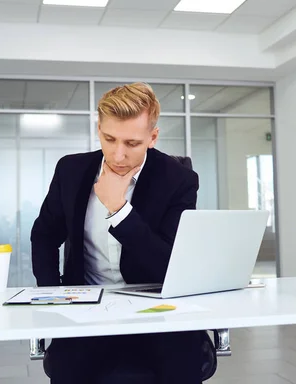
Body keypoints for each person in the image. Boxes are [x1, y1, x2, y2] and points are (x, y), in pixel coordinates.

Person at [31, 82, 202, 384]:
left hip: (156, 308)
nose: (118, 154)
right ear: (98, 128)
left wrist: (119, 210)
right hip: (86, 308)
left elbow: (168, 264)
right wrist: (52, 294)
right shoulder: (71, 171)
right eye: (109, 139)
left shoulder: (179, 180)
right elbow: (44, 235)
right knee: (67, 368)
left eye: (132, 143)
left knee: (182, 363)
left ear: (152, 137)